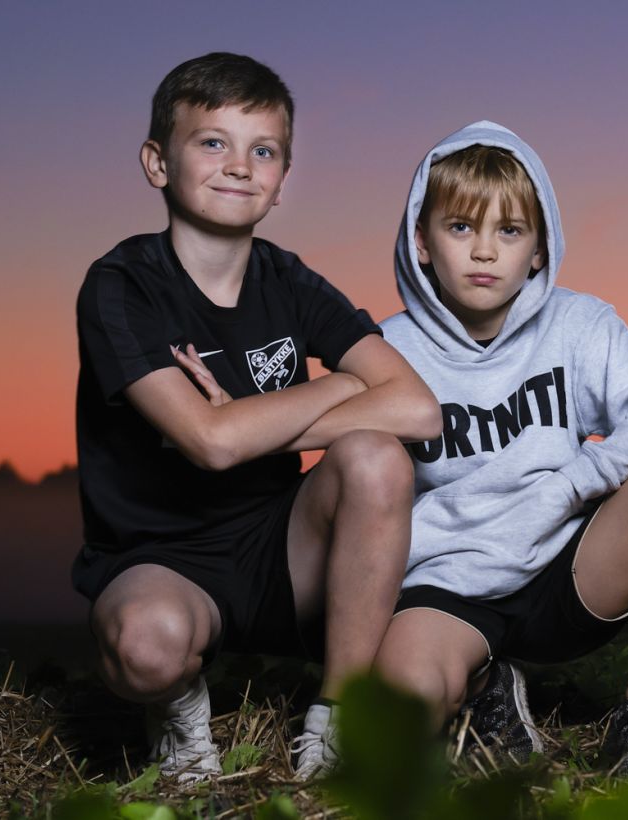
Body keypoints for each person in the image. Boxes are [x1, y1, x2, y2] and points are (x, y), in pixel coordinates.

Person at [71, 52, 440, 782]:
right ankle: (179, 711)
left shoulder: (290, 279)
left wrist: (247, 418)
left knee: (378, 457)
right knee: (146, 648)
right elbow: (208, 446)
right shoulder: (121, 285)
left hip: (282, 548)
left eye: (262, 150)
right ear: (156, 162)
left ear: (280, 182)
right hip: (161, 556)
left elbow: (418, 408)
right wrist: (337, 387)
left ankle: (338, 716)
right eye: (212, 142)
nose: (239, 165)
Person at [374, 122, 628, 775]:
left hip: (567, 569)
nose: (484, 251)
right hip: (450, 583)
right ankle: (486, 687)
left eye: (508, 232)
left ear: (540, 249)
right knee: (399, 717)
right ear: (421, 241)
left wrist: (573, 483)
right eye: (461, 228)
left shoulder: (579, 323)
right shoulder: (386, 347)